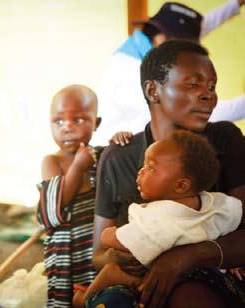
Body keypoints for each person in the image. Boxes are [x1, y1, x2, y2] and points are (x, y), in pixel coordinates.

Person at [91, 39, 245, 308]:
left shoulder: (225, 140)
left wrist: (183, 257)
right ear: (153, 90)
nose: (208, 95)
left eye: (212, 86)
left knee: (187, 295)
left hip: (206, 275)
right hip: (134, 279)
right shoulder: (119, 157)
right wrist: (120, 257)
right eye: (193, 84)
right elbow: (98, 254)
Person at [74, 130, 242, 307]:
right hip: (205, 274)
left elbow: (123, 241)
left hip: (157, 277)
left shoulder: (160, 216)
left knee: (112, 270)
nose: (140, 172)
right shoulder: (215, 203)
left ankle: (83, 301)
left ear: (181, 185)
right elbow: (233, 220)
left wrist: (108, 235)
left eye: (150, 167)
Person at [93, 0, 245, 146]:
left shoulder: (149, 45)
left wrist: (236, 3)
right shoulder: (128, 69)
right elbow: (199, 110)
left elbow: (201, 26)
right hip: (122, 155)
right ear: (163, 39)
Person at [36, 85, 102, 307]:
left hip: (94, 250)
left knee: (95, 297)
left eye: (79, 120)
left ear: (97, 123)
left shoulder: (101, 157)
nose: (67, 128)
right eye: (59, 121)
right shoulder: (51, 161)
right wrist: (78, 166)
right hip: (67, 257)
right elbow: (55, 206)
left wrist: (122, 139)